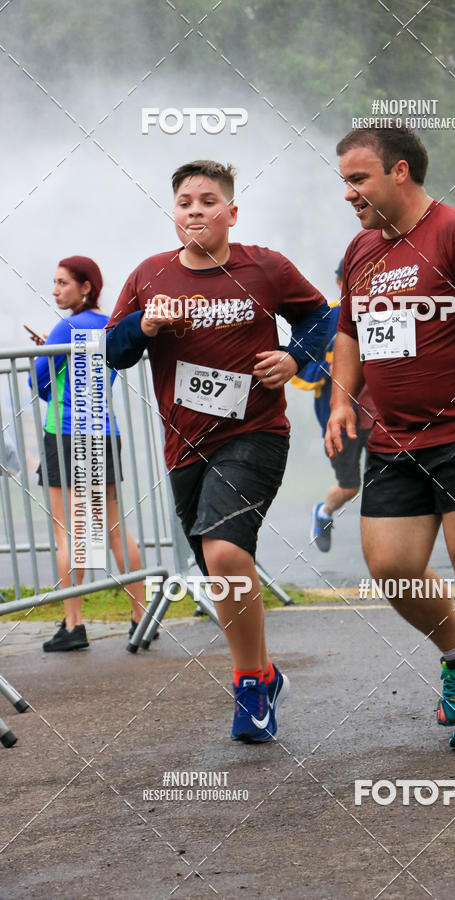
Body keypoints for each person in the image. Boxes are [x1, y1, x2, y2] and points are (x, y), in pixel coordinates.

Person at [105, 160, 328, 743]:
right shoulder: (149, 276)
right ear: (173, 213)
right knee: (216, 569)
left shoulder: (265, 267)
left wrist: (294, 358)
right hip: (184, 449)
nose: (196, 210)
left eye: (208, 200)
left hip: (254, 433)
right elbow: (110, 352)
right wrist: (145, 328)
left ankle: (249, 682)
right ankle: (264, 671)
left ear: (232, 211)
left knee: (225, 554)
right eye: (185, 202)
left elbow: (323, 318)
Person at [326, 126, 455, 750]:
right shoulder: (361, 252)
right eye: (344, 183)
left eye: (358, 180)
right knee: (392, 568)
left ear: (401, 173)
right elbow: (351, 335)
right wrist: (340, 402)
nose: (349, 194)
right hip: (392, 440)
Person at [30, 257, 146, 652]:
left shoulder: (66, 327)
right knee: (114, 527)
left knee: (69, 532)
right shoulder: (110, 325)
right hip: (103, 430)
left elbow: (41, 382)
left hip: (64, 433)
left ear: (85, 287)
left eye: (62, 283)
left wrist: (48, 351)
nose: (55, 290)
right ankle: (140, 617)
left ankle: (74, 624)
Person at [291, 259, 376, 551]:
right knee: (350, 487)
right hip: (339, 419)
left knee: (388, 483)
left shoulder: (388, 313)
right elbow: (299, 374)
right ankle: (323, 512)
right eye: (356, 281)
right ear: (341, 283)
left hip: (383, 418)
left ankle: (388, 551)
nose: (365, 288)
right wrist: (335, 359)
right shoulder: (324, 318)